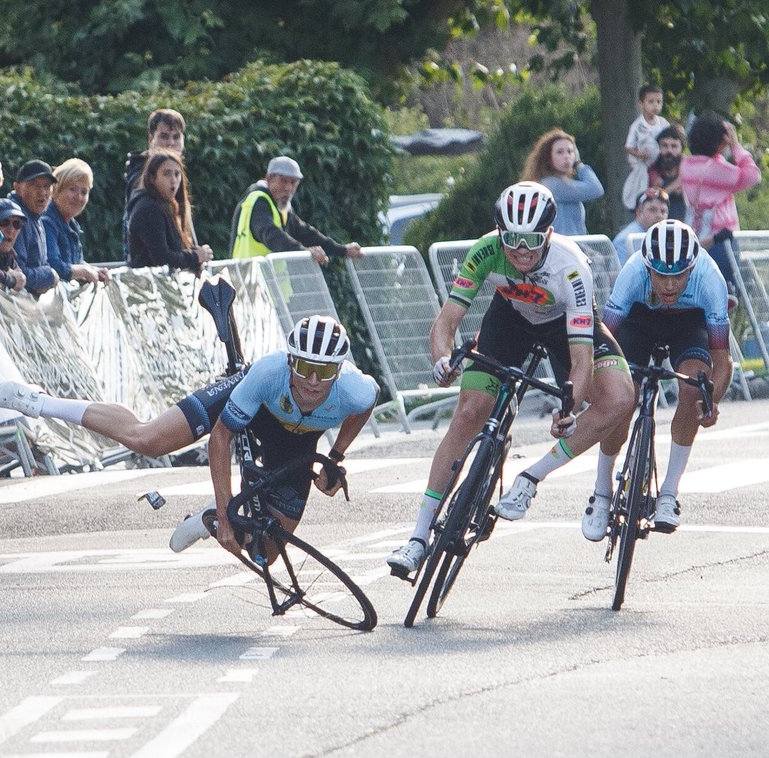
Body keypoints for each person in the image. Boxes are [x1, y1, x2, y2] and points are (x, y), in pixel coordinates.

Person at [385, 182, 634, 577]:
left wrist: (568, 407)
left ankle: (531, 477)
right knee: (470, 411)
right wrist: (442, 360)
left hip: (562, 327)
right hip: (510, 319)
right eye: (511, 239)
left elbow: (581, 357)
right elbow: (447, 320)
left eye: (531, 240)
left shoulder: (571, 267)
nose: (520, 249)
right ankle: (417, 538)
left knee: (620, 397)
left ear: (549, 234)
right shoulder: (486, 250)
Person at [0, 315, 377, 555]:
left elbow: (364, 407)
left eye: (324, 372)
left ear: (339, 372)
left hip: (297, 439)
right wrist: (229, 514)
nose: (311, 381)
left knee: (264, 554)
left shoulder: (356, 389)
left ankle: (207, 517)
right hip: (254, 406)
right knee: (148, 440)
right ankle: (41, 402)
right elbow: (221, 438)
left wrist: (337, 456)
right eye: (305, 367)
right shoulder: (268, 373)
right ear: (290, 359)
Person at [588, 219, 731, 535]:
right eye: (661, 276)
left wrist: (712, 401)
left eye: (679, 276)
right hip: (638, 320)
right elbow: (602, 339)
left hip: (688, 323)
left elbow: (723, 361)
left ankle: (669, 493)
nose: (669, 286)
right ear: (647, 267)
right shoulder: (632, 274)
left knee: (695, 389)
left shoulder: (710, 280)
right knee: (621, 397)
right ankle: (600, 493)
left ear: (692, 268)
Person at [229, 156, 363, 266]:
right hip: (249, 284)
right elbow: (271, 235)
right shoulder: (258, 201)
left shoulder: (280, 206)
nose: (288, 188)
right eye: (283, 181)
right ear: (268, 179)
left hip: (265, 286)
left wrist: (342, 250)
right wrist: (304, 251)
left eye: (293, 183)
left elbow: (306, 233)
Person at [680, 113, 761, 291]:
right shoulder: (718, 169)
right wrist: (735, 145)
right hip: (720, 240)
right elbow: (753, 175)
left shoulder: (686, 165)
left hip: (696, 239)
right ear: (719, 140)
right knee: (724, 293)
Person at [126, 150, 212, 272]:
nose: (173, 180)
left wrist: (195, 255)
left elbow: (174, 250)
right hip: (148, 286)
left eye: (177, 174)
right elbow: (162, 258)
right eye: (166, 174)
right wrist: (195, 257)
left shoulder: (168, 204)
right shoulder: (148, 208)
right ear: (152, 177)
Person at [123, 109, 189, 261]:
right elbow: (159, 254)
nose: (171, 143)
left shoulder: (173, 168)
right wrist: (191, 258)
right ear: (151, 139)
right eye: (164, 137)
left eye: (176, 137)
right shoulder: (140, 176)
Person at [522, 129, 604, 236]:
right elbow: (595, 189)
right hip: (563, 248)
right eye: (560, 152)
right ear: (548, 158)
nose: (567, 156)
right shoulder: (552, 185)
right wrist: (579, 164)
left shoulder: (561, 183)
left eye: (570, 151)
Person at [42, 158, 109, 284]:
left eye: (84, 192)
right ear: (56, 189)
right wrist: (84, 271)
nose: (78, 197)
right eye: (72, 189)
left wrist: (94, 271)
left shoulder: (72, 225)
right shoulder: (47, 222)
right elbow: (53, 266)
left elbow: (75, 263)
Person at [7, 159, 61, 292]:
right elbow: (18, 273)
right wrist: (50, 276)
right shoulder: (15, 219)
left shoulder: (36, 217)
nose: (42, 192)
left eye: (47, 186)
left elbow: (42, 264)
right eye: (34, 185)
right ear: (17, 187)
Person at [621, 85, 670, 210]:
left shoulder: (663, 123)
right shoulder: (637, 126)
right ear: (641, 104)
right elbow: (629, 147)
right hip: (644, 165)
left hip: (662, 162)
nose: (655, 105)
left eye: (659, 102)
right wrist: (639, 154)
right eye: (651, 102)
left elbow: (670, 137)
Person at [612, 188, 670, 263]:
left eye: (663, 211)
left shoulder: (668, 236)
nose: (659, 215)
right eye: (652, 210)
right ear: (638, 212)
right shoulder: (626, 239)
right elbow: (621, 273)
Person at [0, 197, 28, 293]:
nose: (11, 230)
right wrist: (11, 280)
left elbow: (21, 278)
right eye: (4, 222)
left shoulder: (10, 255)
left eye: (17, 224)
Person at [649, 125, 687, 221]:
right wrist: (676, 184)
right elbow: (654, 199)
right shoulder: (653, 171)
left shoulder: (689, 168)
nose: (669, 150)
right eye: (665, 146)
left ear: (681, 149)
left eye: (674, 146)